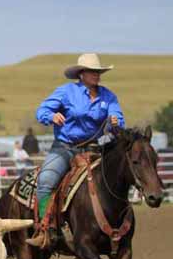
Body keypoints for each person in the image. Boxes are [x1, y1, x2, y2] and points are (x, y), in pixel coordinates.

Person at [26, 53, 125, 248]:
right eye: (92, 72)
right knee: (46, 180)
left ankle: (119, 223)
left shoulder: (108, 96)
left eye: (98, 72)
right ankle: (43, 229)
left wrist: (115, 122)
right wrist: (52, 116)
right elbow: (41, 111)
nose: (97, 75)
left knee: (117, 177)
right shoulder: (66, 92)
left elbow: (118, 118)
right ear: (81, 74)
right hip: (66, 147)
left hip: (96, 148)